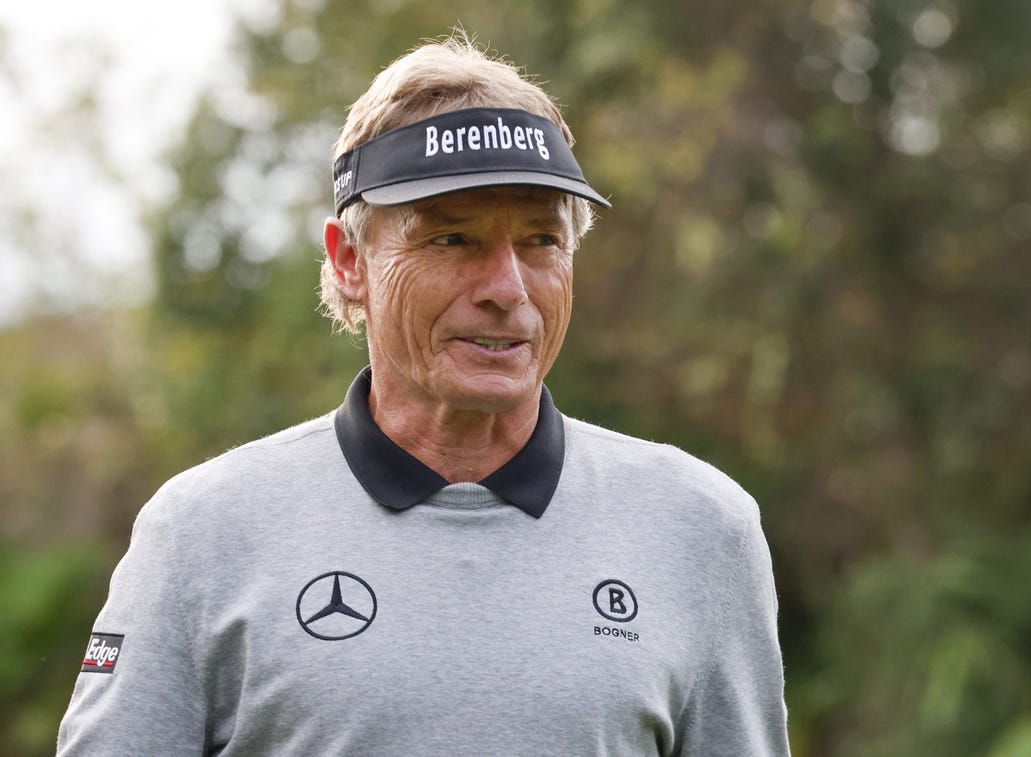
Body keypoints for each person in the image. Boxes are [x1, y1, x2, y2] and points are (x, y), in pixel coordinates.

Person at [58, 33, 790, 756]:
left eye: (541, 241)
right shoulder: (202, 534)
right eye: (452, 240)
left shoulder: (701, 530)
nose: (508, 290)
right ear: (350, 261)